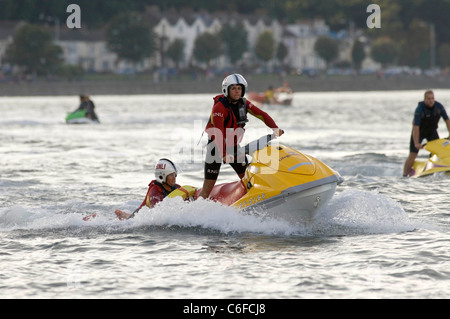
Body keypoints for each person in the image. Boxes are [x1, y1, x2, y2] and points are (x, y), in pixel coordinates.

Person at [198, 73, 284, 199]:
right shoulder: (219, 107)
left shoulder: (244, 103)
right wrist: (223, 154)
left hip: (233, 147)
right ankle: (196, 209)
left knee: (247, 177)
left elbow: (261, 114)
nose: (237, 91)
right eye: (233, 88)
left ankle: (255, 202)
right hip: (216, 148)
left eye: (239, 88)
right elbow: (218, 132)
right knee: (208, 187)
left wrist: (275, 128)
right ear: (226, 90)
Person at [403, 90, 450, 177]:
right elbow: (416, 128)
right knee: (413, 154)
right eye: (428, 99)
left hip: (432, 132)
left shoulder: (439, 107)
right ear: (424, 99)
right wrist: (417, 143)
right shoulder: (420, 109)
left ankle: (433, 167)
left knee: (437, 151)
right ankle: (405, 175)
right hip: (420, 132)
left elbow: (447, 120)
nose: (431, 100)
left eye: (432, 98)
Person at [115, 158, 181, 220]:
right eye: (170, 175)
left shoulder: (177, 187)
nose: (174, 178)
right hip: (138, 216)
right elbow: (157, 214)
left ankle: (125, 215)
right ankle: (123, 215)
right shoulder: (155, 191)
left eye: (175, 174)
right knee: (129, 218)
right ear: (162, 176)